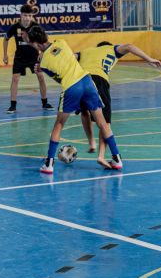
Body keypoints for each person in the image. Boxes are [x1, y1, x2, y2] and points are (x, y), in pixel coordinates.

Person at [28, 25, 122, 174]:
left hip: (72, 86)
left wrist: (40, 67)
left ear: (35, 44)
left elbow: (60, 78)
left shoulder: (44, 63)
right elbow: (65, 58)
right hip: (87, 81)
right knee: (102, 122)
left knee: (59, 124)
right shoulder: (61, 42)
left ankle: (49, 164)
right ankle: (117, 158)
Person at [76, 39, 161, 169]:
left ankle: (91, 142)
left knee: (84, 112)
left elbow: (69, 57)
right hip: (98, 80)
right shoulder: (111, 49)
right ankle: (102, 155)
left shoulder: (85, 51)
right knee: (105, 123)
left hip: (80, 81)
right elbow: (129, 46)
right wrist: (148, 59)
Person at [7, 3, 52, 114]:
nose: (27, 18)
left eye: (29, 15)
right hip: (20, 57)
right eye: (25, 15)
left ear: (32, 16)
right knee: (15, 79)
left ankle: (45, 102)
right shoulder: (15, 27)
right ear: (21, 16)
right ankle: (13, 105)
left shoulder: (36, 27)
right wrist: (4, 55)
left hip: (34, 57)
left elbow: (44, 41)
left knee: (41, 77)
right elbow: (5, 39)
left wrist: (42, 53)